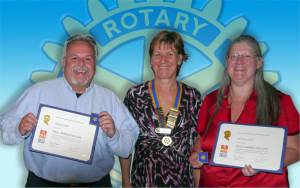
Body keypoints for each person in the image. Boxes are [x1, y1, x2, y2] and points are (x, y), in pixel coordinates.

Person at [0, 34, 139, 187]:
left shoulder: (110, 99)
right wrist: (19, 128)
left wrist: (114, 135)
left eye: (88, 59)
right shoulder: (37, 92)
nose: (81, 64)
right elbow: (7, 131)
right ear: (64, 62)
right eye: (74, 58)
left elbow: (127, 148)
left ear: (95, 64)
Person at [189, 35, 299, 187]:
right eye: (234, 56)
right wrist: (197, 158)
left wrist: (264, 163)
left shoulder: (279, 102)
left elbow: (295, 150)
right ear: (227, 61)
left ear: (259, 62)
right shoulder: (211, 100)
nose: (239, 61)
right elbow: (202, 147)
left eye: (247, 56)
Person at [119, 30, 202, 187]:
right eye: (157, 54)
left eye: (170, 54)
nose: (163, 60)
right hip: (144, 182)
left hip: (183, 182)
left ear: (180, 59)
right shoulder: (135, 95)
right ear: (151, 60)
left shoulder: (193, 97)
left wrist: (198, 183)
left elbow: (198, 140)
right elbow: (125, 141)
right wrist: (125, 181)